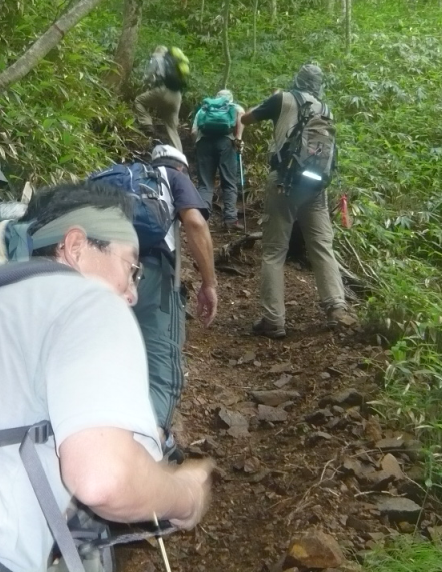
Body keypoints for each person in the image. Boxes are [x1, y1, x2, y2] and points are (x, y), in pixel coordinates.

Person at [0, 182, 213, 572]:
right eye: (131, 267)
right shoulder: (90, 301)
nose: (133, 293)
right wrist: (185, 493)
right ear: (75, 247)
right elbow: (102, 478)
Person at [240, 63, 349, 339]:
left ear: (297, 80)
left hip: (285, 182)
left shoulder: (283, 99)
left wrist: (273, 99)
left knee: (275, 250)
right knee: (322, 245)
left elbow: (245, 120)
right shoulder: (326, 109)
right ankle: (337, 307)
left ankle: (273, 320)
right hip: (316, 187)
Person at [134, 144, 218, 451]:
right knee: (162, 366)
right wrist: (209, 283)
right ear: (182, 168)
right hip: (151, 274)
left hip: (99, 272)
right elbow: (195, 223)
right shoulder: (174, 177)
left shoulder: (129, 178)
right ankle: (152, 447)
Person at [192, 89, 245, 230]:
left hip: (203, 143)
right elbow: (241, 116)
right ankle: (230, 220)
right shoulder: (235, 107)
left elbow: (193, 132)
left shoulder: (205, 108)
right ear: (230, 98)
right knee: (229, 182)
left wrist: (197, 145)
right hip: (226, 143)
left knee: (205, 184)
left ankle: (203, 220)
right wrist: (239, 138)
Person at [133, 46, 190, 152]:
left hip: (163, 91)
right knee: (172, 128)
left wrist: (145, 83)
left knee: (139, 101)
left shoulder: (157, 58)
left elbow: (149, 74)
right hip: (177, 95)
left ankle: (147, 124)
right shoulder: (175, 63)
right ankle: (178, 156)